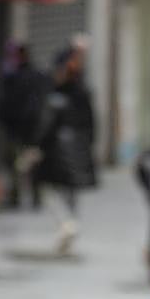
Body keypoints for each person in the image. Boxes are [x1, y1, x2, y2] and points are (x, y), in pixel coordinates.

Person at [33, 46, 97, 254]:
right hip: (77, 150)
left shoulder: (57, 95)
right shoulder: (80, 92)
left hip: (57, 150)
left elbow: (48, 125)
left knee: (46, 187)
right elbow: (91, 124)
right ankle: (70, 225)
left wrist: (38, 147)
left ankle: (66, 224)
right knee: (71, 192)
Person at [0, 42, 49, 210]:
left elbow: (7, 104)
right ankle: (35, 196)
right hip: (33, 130)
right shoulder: (37, 76)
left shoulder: (15, 78)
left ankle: (16, 196)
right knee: (31, 164)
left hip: (18, 129)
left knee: (16, 164)